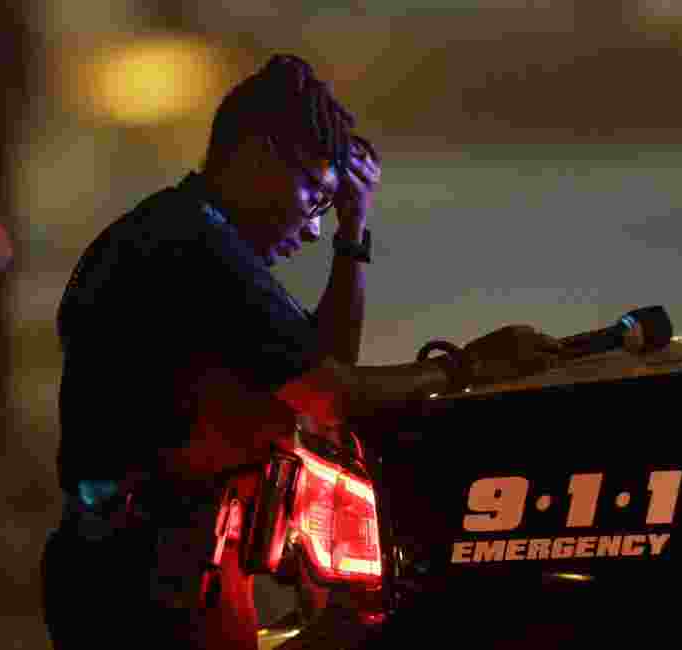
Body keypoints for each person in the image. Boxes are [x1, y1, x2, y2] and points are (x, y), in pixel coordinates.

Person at [41, 54, 562, 650]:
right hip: (147, 589)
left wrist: (352, 232)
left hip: (152, 570)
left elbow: (319, 361)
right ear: (257, 158)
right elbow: (334, 397)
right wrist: (467, 366)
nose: (313, 229)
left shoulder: (194, 236)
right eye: (314, 196)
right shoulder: (192, 248)